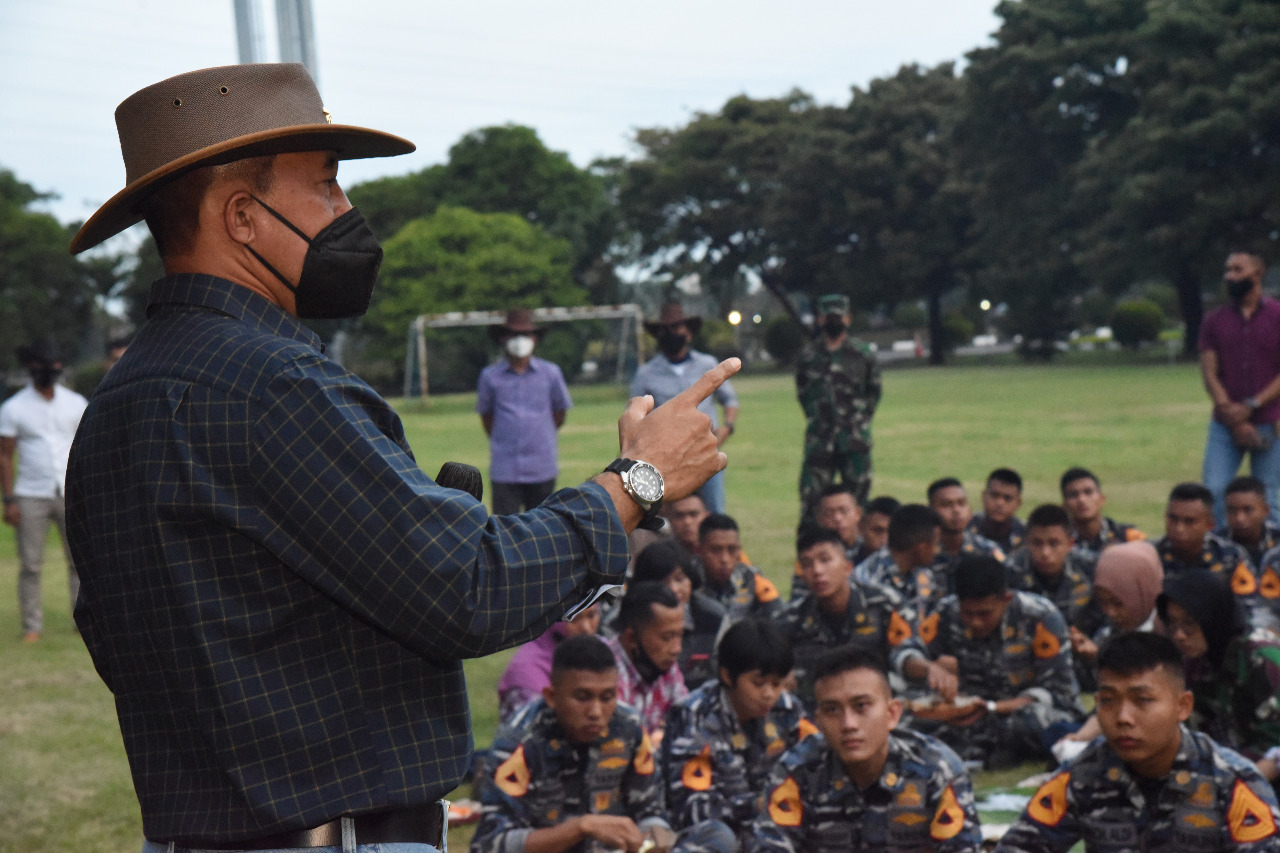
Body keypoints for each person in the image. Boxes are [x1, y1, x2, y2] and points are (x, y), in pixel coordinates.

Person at [65, 63, 738, 851]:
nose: (348, 210)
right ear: (243, 215)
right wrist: (638, 480)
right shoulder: (275, 386)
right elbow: (469, 587)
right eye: (327, 185)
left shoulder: (116, 404)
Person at [996, 632, 1280, 853]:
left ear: (1183, 706)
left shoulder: (1232, 783)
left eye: (1142, 700)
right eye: (1108, 701)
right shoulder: (1084, 776)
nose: (1123, 717)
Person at [471, 635, 734, 853]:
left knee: (717, 836)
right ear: (552, 697)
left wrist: (652, 837)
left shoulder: (629, 727)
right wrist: (581, 827)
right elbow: (491, 843)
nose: (596, 711)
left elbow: (649, 810)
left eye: (607, 697)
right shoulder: (519, 741)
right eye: (583, 697)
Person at [749, 645, 982, 853]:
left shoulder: (936, 769)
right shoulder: (797, 771)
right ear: (818, 721)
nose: (848, 724)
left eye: (861, 706)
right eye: (832, 710)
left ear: (892, 713)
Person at [661, 619, 814, 847]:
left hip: (775, 826)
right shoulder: (695, 716)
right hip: (716, 834)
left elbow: (814, 766)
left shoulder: (788, 710)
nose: (769, 694)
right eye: (759, 683)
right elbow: (691, 808)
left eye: (776, 683)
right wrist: (756, 805)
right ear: (727, 676)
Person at [924, 555, 1085, 768]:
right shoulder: (946, 611)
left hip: (1021, 709)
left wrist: (993, 707)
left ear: (1006, 599)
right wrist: (931, 668)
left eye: (984, 613)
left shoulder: (1041, 617)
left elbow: (1058, 692)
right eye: (968, 613)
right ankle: (986, 750)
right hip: (971, 712)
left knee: (1032, 721)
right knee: (908, 711)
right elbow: (909, 650)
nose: (975, 622)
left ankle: (980, 749)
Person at [783, 527, 954, 709]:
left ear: (847, 567)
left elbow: (904, 651)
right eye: (807, 564)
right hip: (818, 712)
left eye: (825, 560)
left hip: (876, 708)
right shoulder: (791, 618)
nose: (817, 571)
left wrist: (928, 668)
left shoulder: (883, 603)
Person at [0, 338, 88, 644]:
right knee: (31, 564)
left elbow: (86, 447)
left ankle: (83, 621)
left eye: (53, 365)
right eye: (42, 365)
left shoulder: (75, 404)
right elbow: (5, 455)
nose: (48, 371)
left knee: (80, 561)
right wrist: (8, 499)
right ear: (30, 368)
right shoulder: (14, 408)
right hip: (31, 492)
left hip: (70, 490)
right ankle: (32, 626)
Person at [1158, 571, 1280, 774]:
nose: (1179, 635)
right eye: (1173, 623)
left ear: (1213, 618)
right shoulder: (1196, 662)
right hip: (1229, 768)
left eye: (1189, 623)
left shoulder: (1261, 658)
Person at [632, 302, 739, 513]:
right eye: (665, 330)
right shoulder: (646, 373)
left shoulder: (707, 364)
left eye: (676, 328)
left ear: (688, 333)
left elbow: (730, 400)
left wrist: (727, 427)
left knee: (714, 512)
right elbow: (635, 414)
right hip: (668, 457)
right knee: (670, 517)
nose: (670, 334)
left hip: (705, 451)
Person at [1199, 247, 1280, 527]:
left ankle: (1271, 562)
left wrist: (1252, 405)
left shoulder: (1277, 316)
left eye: (1237, 270)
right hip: (1225, 423)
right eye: (1228, 270)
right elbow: (1209, 372)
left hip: (1270, 422)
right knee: (1214, 491)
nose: (1230, 276)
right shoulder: (1214, 320)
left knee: (1269, 496)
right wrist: (1231, 414)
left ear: (1257, 274)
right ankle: (1221, 557)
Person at [795, 293, 883, 521]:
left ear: (848, 319)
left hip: (854, 439)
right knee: (812, 500)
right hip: (820, 439)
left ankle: (859, 551)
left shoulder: (863, 354)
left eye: (839, 316)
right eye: (829, 316)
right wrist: (819, 418)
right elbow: (803, 394)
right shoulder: (807, 356)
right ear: (820, 320)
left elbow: (874, 392)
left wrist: (859, 420)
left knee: (858, 501)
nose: (834, 321)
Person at [477, 308, 573, 515]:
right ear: (503, 338)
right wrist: (507, 435)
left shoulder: (550, 373)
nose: (520, 340)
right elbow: (487, 417)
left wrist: (538, 433)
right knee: (505, 528)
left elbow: (559, 412)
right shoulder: (490, 376)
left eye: (525, 334)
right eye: (514, 334)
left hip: (542, 465)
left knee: (542, 525)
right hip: (505, 468)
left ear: (535, 339)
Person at [631, 539, 727, 690]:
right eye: (662, 582)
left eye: (679, 579)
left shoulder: (713, 616)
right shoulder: (626, 621)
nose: (673, 589)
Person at [1155, 482, 1260, 616]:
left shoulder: (1231, 556)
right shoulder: (1152, 555)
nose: (1179, 528)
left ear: (1209, 525)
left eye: (1189, 521)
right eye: (1173, 519)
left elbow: (1248, 608)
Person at [603, 581, 689, 737]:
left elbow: (685, 720)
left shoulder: (665, 665)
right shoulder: (605, 672)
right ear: (631, 638)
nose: (677, 649)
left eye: (680, 635)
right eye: (667, 637)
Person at [1068, 541, 1164, 677]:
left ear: (1144, 592)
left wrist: (1104, 657)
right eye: (1103, 602)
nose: (1110, 612)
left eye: (1118, 603)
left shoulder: (1171, 631)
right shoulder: (1107, 632)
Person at [1005, 504, 1102, 636]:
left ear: (1070, 544)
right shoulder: (1010, 571)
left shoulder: (1092, 568)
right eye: (1037, 543)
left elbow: (1109, 619)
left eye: (1054, 543)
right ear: (1027, 542)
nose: (1045, 553)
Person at [497, 604, 602, 724]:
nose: (586, 628)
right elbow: (532, 729)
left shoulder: (602, 650)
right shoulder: (526, 671)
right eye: (573, 618)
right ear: (553, 618)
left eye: (591, 615)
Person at [853, 503, 944, 622]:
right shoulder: (868, 581)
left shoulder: (924, 575)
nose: (937, 551)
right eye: (935, 544)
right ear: (920, 547)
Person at [696, 513, 783, 623]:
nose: (725, 559)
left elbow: (780, 619)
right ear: (699, 551)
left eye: (732, 550)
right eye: (716, 550)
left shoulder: (751, 579)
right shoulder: (687, 580)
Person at [790, 483, 871, 601]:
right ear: (819, 519)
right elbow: (799, 599)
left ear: (857, 514)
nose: (837, 518)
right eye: (829, 513)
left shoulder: (871, 548)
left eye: (843, 511)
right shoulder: (811, 556)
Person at [927, 477, 1005, 595]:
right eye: (946, 505)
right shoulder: (924, 554)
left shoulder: (988, 551)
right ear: (931, 510)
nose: (956, 510)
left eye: (962, 503)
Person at [1058, 467, 1145, 560]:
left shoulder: (1128, 537)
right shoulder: (1059, 543)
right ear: (1064, 506)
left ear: (1101, 499)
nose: (1082, 500)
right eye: (1074, 495)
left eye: (1088, 492)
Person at [1223, 475, 1280, 569]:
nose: (1239, 518)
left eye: (1248, 510)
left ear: (1265, 511)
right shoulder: (1217, 546)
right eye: (1232, 510)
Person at [967, 467, 1027, 553]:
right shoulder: (965, 528)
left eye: (1007, 498)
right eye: (994, 496)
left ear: (1018, 503)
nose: (1000, 503)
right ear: (984, 496)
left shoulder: (1027, 536)